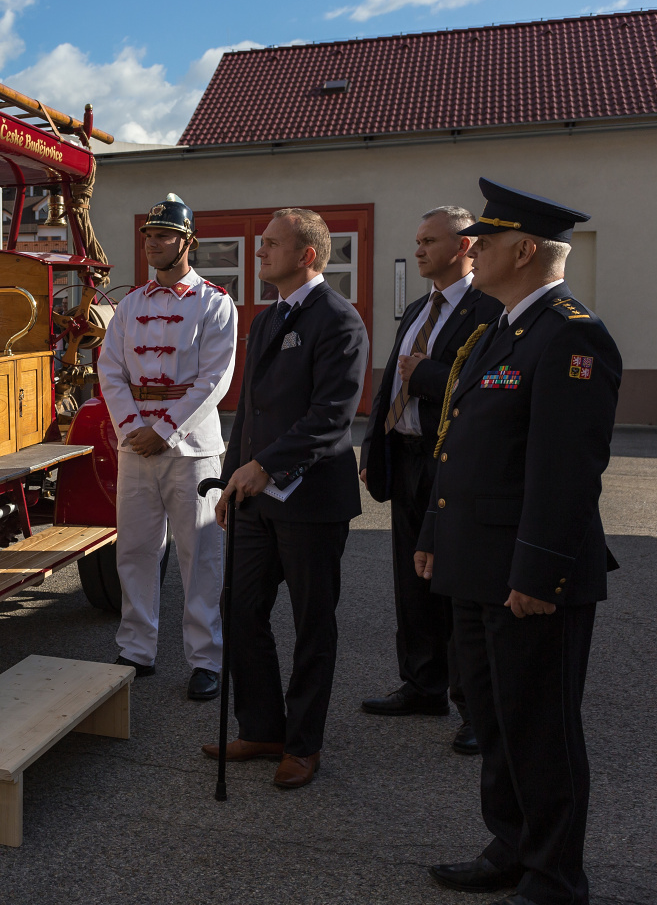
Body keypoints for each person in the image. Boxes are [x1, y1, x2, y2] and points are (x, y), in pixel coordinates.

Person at [416, 179, 620, 905]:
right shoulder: (498, 329)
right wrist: (438, 532)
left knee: (540, 729)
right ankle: (511, 846)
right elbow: (460, 444)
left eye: (488, 241)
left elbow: (565, 472)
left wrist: (539, 573)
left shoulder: (571, 335)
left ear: (525, 250)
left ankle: (555, 874)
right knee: (498, 722)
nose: (475, 251)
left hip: (526, 577)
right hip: (476, 564)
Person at [205, 208, 369, 790]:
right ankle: (263, 726)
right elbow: (248, 412)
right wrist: (232, 479)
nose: (259, 252)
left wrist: (264, 467)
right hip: (255, 498)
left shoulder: (339, 321)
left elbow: (331, 418)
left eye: (271, 244)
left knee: (311, 624)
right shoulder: (271, 317)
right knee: (240, 610)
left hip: (310, 502)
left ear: (307, 255)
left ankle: (303, 743)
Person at [359, 206, 502, 754]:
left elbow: (485, 387)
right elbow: (390, 377)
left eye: (429, 241)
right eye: (416, 240)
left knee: (456, 583)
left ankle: (473, 708)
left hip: (454, 463)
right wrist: (374, 445)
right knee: (411, 580)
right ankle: (423, 685)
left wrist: (430, 376)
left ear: (464, 246)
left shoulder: (490, 307)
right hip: (409, 457)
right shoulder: (419, 308)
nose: (417, 249)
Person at [96, 193, 236, 697]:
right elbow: (109, 369)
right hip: (136, 444)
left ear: (186, 243)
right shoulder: (130, 304)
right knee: (134, 549)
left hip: (193, 448)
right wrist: (134, 425)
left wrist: (165, 429)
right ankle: (136, 648)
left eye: (163, 236)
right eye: (149, 236)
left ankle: (206, 658)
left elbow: (215, 379)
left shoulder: (215, 303)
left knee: (200, 554)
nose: (153, 244)